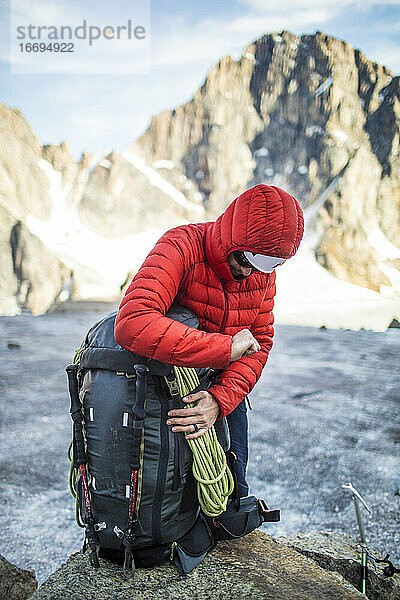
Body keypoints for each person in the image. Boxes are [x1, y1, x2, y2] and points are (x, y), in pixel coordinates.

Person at [114, 183, 304, 497]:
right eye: (248, 259)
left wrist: (219, 400)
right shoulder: (181, 246)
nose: (251, 272)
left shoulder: (260, 271)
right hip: (167, 391)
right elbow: (133, 321)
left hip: (225, 390)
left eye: (270, 264)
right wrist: (222, 349)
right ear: (232, 236)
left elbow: (260, 341)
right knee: (169, 496)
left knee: (232, 493)